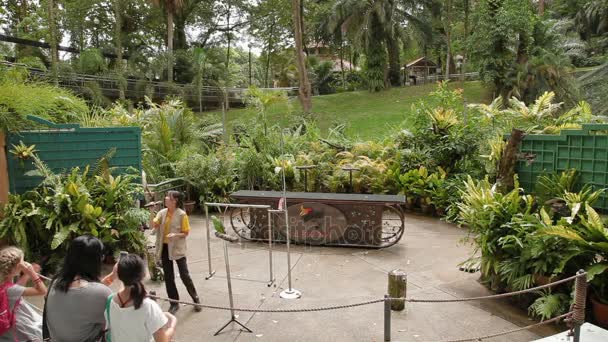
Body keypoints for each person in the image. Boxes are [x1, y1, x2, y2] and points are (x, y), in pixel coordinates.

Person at [44, 235, 117, 342]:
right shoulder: (100, 293)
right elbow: (121, 315)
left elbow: (85, 295)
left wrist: (112, 276)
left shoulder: (55, 282)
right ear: (96, 260)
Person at [105, 254, 177, 342]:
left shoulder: (110, 301)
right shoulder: (149, 306)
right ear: (144, 274)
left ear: (119, 276)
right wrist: (172, 325)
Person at [152, 190, 201, 314]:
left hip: (177, 248)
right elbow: (154, 224)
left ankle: (195, 298)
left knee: (185, 275)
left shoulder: (182, 215)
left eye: (169, 197)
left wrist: (176, 235)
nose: (166, 198)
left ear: (175, 201)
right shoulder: (162, 213)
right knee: (169, 276)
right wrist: (152, 212)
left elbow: (186, 233)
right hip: (164, 248)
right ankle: (174, 303)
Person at [0, 246, 47, 342]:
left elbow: (16, 290)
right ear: (18, 266)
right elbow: (42, 291)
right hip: (13, 328)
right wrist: (31, 272)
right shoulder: (11, 289)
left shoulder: (5, 281)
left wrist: (25, 275)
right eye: (23, 260)